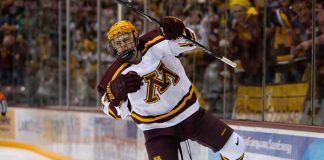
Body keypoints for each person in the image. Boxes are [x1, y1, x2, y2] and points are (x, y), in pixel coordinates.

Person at [97, 17, 245, 160]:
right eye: (117, 43)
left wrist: (179, 31)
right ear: (113, 47)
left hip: (190, 114)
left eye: (126, 39)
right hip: (155, 130)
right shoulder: (113, 77)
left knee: (235, 146)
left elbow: (191, 43)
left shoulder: (155, 40)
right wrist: (115, 96)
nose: (122, 45)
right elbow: (115, 113)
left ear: (136, 38)